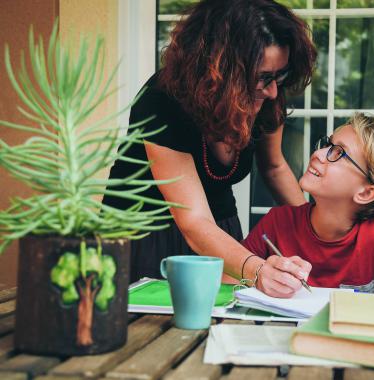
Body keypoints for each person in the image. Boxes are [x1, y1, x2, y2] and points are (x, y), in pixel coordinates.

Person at [103, 0, 315, 296]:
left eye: (278, 75)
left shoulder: (267, 97)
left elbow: (274, 166)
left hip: (219, 230)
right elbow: (192, 219)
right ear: (221, 70)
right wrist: (257, 269)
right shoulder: (162, 100)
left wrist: (314, 231)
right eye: (263, 77)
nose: (273, 91)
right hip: (143, 235)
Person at [242, 113, 374, 309]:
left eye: (339, 153)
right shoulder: (278, 222)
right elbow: (226, 280)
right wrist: (259, 275)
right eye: (327, 145)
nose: (318, 154)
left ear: (366, 193)